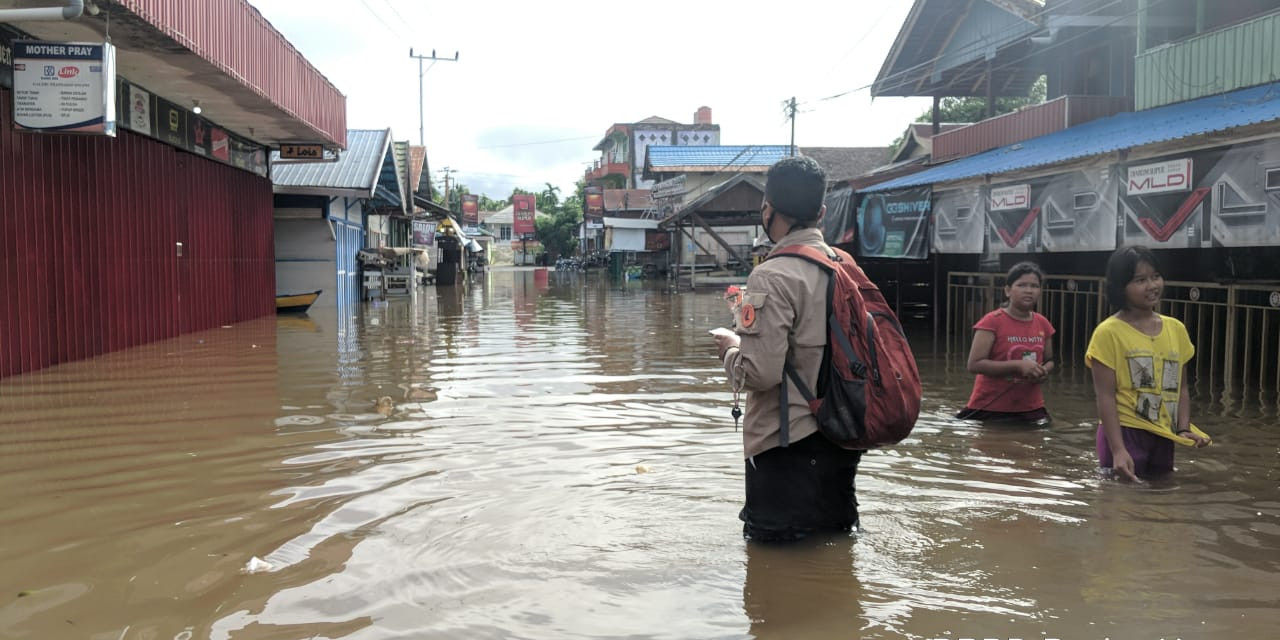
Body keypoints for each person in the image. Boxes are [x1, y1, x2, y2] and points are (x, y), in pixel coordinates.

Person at [712, 156, 863, 542]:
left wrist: (730, 349)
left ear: (768, 208)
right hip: (842, 440)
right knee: (834, 564)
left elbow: (760, 373)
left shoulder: (772, 274)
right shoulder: (844, 265)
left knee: (772, 580)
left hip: (786, 449)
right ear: (822, 212)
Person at [1086, 245, 1211, 481]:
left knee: (1161, 499)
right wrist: (1118, 450)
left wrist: (1183, 428)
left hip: (1163, 434)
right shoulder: (1107, 333)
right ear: (1120, 286)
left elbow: (1182, 388)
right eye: (1140, 280)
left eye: (1155, 277)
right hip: (1124, 432)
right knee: (1120, 502)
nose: (1152, 285)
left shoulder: (1176, 329)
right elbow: (1105, 396)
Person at [957, 262, 1056, 423]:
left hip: (1031, 409)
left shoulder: (1043, 323)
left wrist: (1042, 371)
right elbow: (974, 364)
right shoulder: (991, 322)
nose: (1029, 290)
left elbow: (1050, 360)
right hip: (989, 409)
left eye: (1034, 286)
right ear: (1008, 291)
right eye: (1022, 285)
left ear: (1040, 291)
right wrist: (1018, 366)